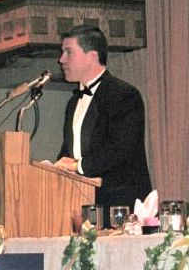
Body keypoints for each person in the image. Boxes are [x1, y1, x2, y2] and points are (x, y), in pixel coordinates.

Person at [54, 25, 151, 219]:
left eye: (68, 52)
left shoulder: (124, 95)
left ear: (91, 56)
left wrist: (77, 166)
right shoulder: (74, 102)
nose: (61, 59)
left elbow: (121, 149)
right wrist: (56, 166)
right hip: (81, 204)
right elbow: (71, 150)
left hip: (120, 206)